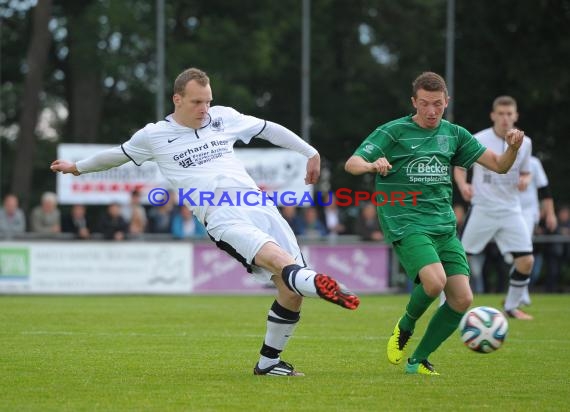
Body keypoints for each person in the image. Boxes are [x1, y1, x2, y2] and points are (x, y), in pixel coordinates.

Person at [50, 67, 360, 377]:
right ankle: (321, 284)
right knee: (281, 262)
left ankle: (269, 363)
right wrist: (77, 167)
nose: (204, 109)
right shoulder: (154, 135)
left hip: (259, 207)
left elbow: (267, 128)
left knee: (290, 290)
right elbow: (116, 155)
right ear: (177, 99)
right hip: (221, 215)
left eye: (208, 102)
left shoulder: (223, 117)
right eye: (197, 102)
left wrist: (310, 151)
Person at [345, 72, 524, 375]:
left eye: (438, 105)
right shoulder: (393, 132)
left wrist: (513, 147)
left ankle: (417, 362)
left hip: (443, 225)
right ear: (414, 102)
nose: (431, 111)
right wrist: (373, 164)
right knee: (434, 281)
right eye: (425, 104)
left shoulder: (454, 134)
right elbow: (352, 163)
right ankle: (405, 327)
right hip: (406, 221)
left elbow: (500, 165)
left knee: (462, 298)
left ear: (447, 102)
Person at [455, 96, 535, 320]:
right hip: (483, 207)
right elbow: (460, 166)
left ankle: (511, 307)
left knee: (526, 261)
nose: (505, 118)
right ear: (493, 116)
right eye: (501, 113)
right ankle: (448, 305)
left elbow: (527, 172)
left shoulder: (525, 143)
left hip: (511, 209)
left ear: (516, 116)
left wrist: (526, 181)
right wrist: (463, 185)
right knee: (460, 258)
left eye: (509, 114)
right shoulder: (479, 139)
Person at [518, 155, 557, 303]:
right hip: (507, 210)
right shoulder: (501, 159)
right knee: (515, 254)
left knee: (523, 248)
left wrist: (551, 214)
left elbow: (545, 189)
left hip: (528, 212)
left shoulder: (533, 163)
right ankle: (519, 289)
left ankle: (523, 290)